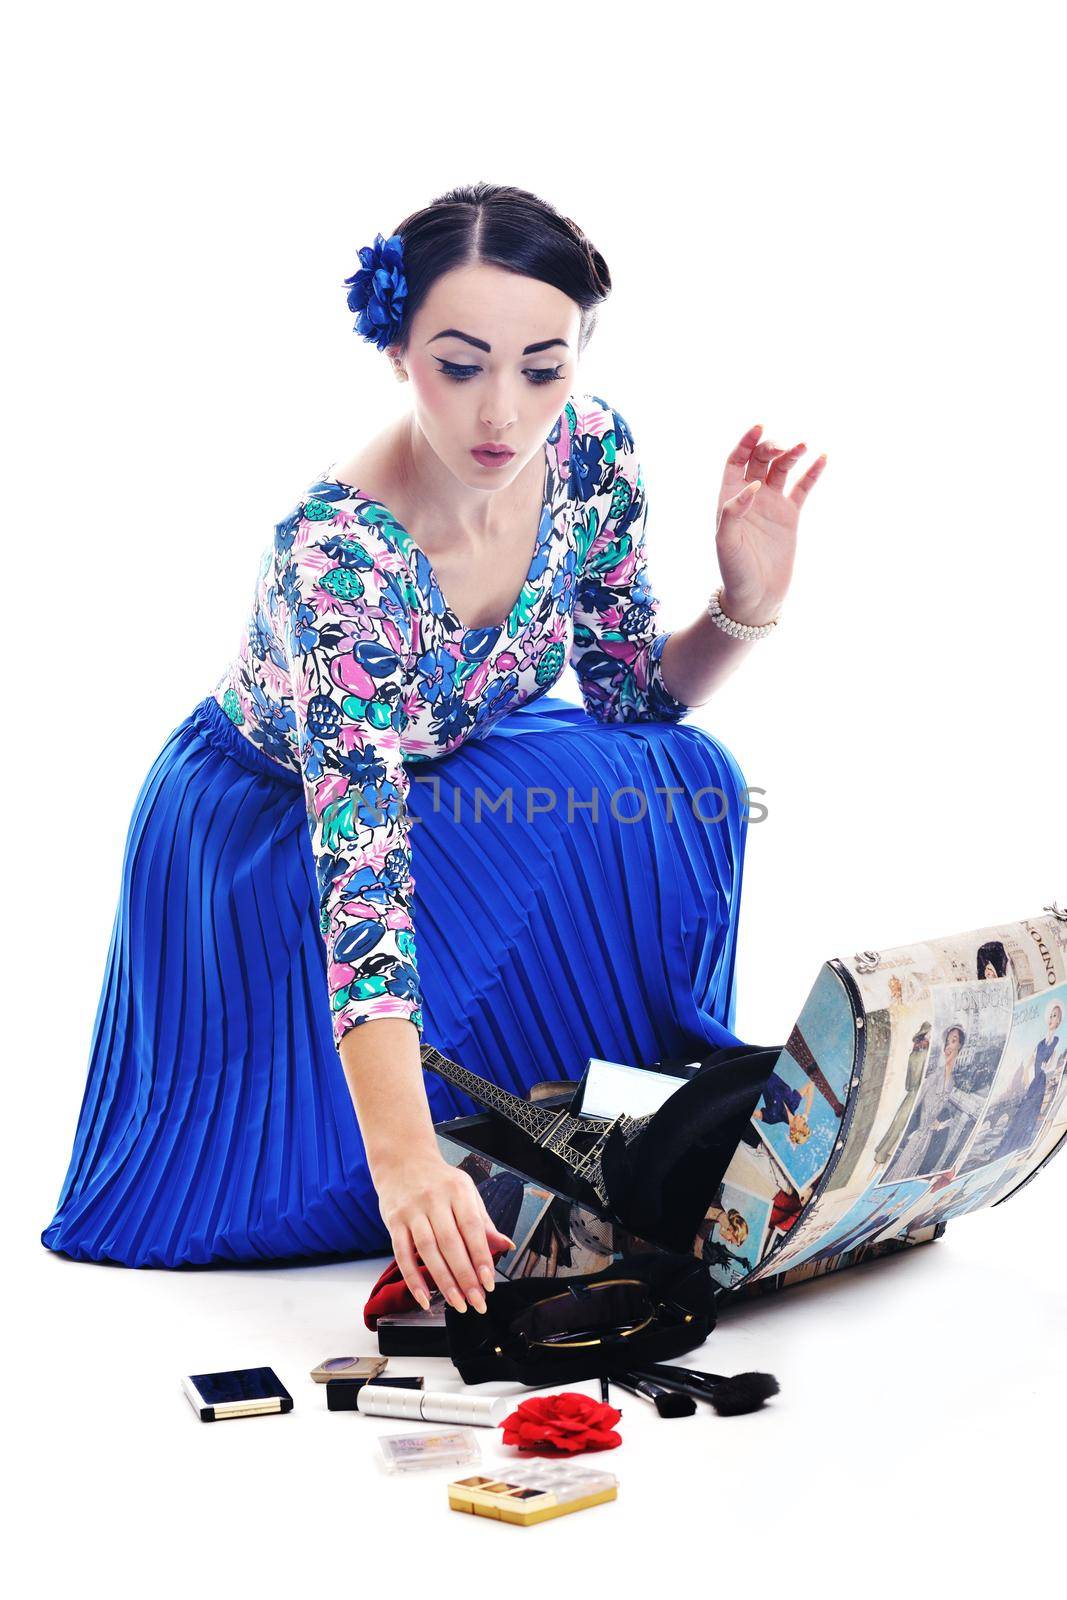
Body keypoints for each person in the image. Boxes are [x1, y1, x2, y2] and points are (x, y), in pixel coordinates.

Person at [40, 182, 826, 1311]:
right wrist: (405, 1167)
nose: (502, 412)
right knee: (334, 1161)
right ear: (398, 347)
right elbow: (360, 872)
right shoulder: (339, 558)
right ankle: (399, 1128)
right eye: (459, 365)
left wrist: (742, 603)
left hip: (443, 770)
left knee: (685, 777)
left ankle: (602, 1098)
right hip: (272, 829)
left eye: (542, 367)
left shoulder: (591, 454)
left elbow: (627, 695)